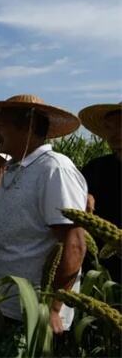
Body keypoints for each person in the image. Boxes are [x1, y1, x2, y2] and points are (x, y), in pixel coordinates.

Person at [0, 94, 87, 335]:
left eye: (0, 124)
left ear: (30, 125)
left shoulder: (54, 169)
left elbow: (73, 245)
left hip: (32, 311)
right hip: (1, 302)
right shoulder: (13, 168)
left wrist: (53, 308)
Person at [79, 102, 121, 282]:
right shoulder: (95, 168)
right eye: (109, 128)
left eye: (121, 126)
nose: (113, 134)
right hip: (98, 272)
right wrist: (82, 196)